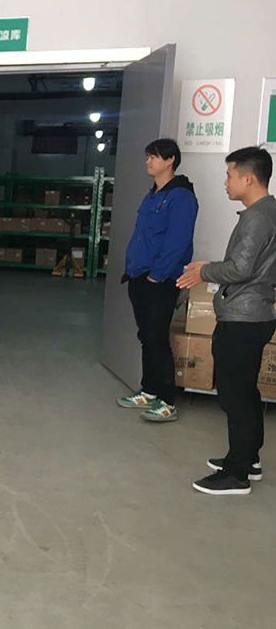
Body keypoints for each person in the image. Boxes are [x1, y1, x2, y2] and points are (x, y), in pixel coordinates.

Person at [177, 147, 276, 495]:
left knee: (235, 396)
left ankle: (236, 474)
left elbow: (241, 269)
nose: (225, 182)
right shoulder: (267, 211)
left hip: (243, 318)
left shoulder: (257, 217)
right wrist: (210, 266)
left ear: (248, 178)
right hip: (255, 313)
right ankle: (248, 459)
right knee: (246, 391)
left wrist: (204, 272)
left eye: (230, 175)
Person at [116, 139, 198, 422]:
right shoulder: (152, 195)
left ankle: (167, 401)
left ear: (170, 160)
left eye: (154, 157)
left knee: (158, 339)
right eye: (147, 156)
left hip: (160, 281)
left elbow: (177, 242)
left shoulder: (180, 197)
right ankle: (149, 391)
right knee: (147, 337)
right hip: (139, 276)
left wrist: (156, 276)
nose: (148, 162)